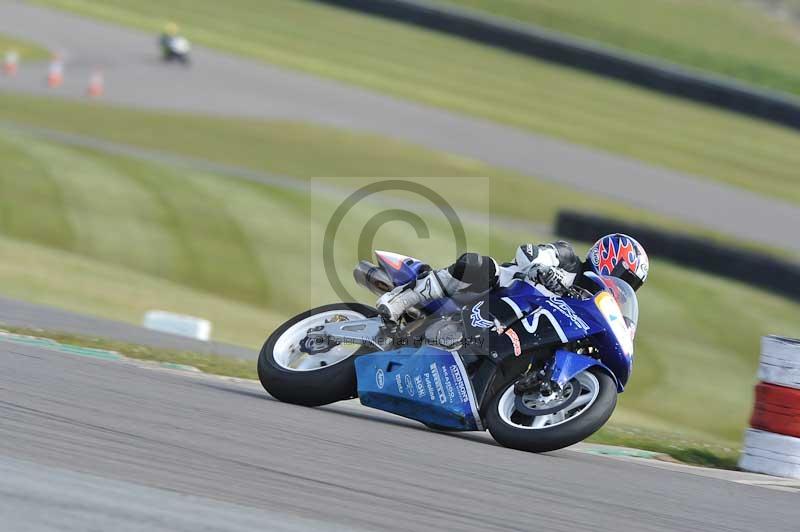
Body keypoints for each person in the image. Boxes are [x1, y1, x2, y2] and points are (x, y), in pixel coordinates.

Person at [377, 233, 649, 322]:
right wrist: (544, 269)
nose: (625, 285)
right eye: (625, 276)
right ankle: (402, 298)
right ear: (610, 258)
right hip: (496, 293)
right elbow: (528, 253)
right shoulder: (566, 258)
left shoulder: (592, 306)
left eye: (632, 283)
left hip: (514, 328)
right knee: (478, 265)